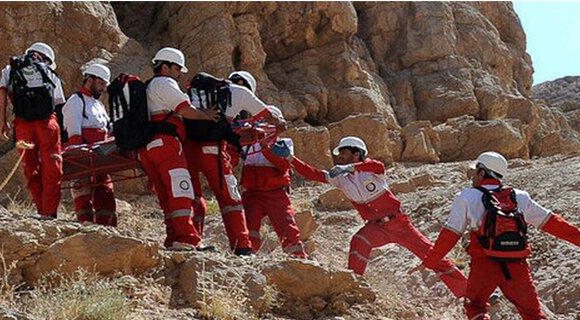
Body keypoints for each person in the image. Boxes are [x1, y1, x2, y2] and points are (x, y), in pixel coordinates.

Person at [416, 151, 580, 320]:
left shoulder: (467, 197)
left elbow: (450, 235)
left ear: (482, 172)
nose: (473, 175)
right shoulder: (520, 197)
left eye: (476, 171)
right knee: (535, 315)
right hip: (517, 266)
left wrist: (431, 260)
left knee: (474, 304)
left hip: (484, 264)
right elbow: (551, 222)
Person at [271, 136, 467, 297]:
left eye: (344, 153)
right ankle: (354, 288)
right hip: (376, 227)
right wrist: (290, 158)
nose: (339, 157)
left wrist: (350, 167)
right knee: (359, 240)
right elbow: (313, 173)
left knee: (432, 255)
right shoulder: (340, 178)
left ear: (357, 154)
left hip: (399, 223)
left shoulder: (371, 170)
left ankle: (468, 291)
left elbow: (377, 165)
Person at [184, 70, 283, 256]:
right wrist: (280, 124)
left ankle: (191, 241)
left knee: (193, 197)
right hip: (214, 150)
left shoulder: (200, 94)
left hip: (188, 149)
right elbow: (271, 118)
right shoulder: (241, 95)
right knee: (231, 200)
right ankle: (242, 247)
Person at [141, 47, 218, 250]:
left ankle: (173, 238)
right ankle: (186, 239)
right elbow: (185, 110)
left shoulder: (147, 86)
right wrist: (207, 115)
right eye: (176, 69)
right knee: (180, 191)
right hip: (167, 145)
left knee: (166, 195)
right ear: (164, 66)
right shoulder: (164, 83)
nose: (178, 74)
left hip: (149, 146)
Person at [0, 42, 65, 219]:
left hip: (23, 125)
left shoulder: (11, 68)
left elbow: (2, 93)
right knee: (52, 167)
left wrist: (3, 121)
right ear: (48, 59)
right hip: (47, 124)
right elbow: (58, 104)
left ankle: (41, 210)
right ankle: (50, 213)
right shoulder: (49, 71)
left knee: (30, 167)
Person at [240, 105, 306, 258]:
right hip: (252, 194)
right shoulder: (248, 144)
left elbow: (283, 165)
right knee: (248, 227)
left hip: (276, 193)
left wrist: (266, 146)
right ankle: (248, 257)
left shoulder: (285, 143)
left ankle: (298, 260)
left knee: (287, 227)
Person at [62, 63, 116, 226]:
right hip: (83, 156)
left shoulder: (98, 104)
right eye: (100, 84)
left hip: (101, 155)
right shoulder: (75, 101)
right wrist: (82, 157)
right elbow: (74, 133)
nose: (102, 89)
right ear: (89, 80)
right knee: (82, 192)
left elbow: (107, 127)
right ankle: (85, 226)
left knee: (105, 190)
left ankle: (107, 227)